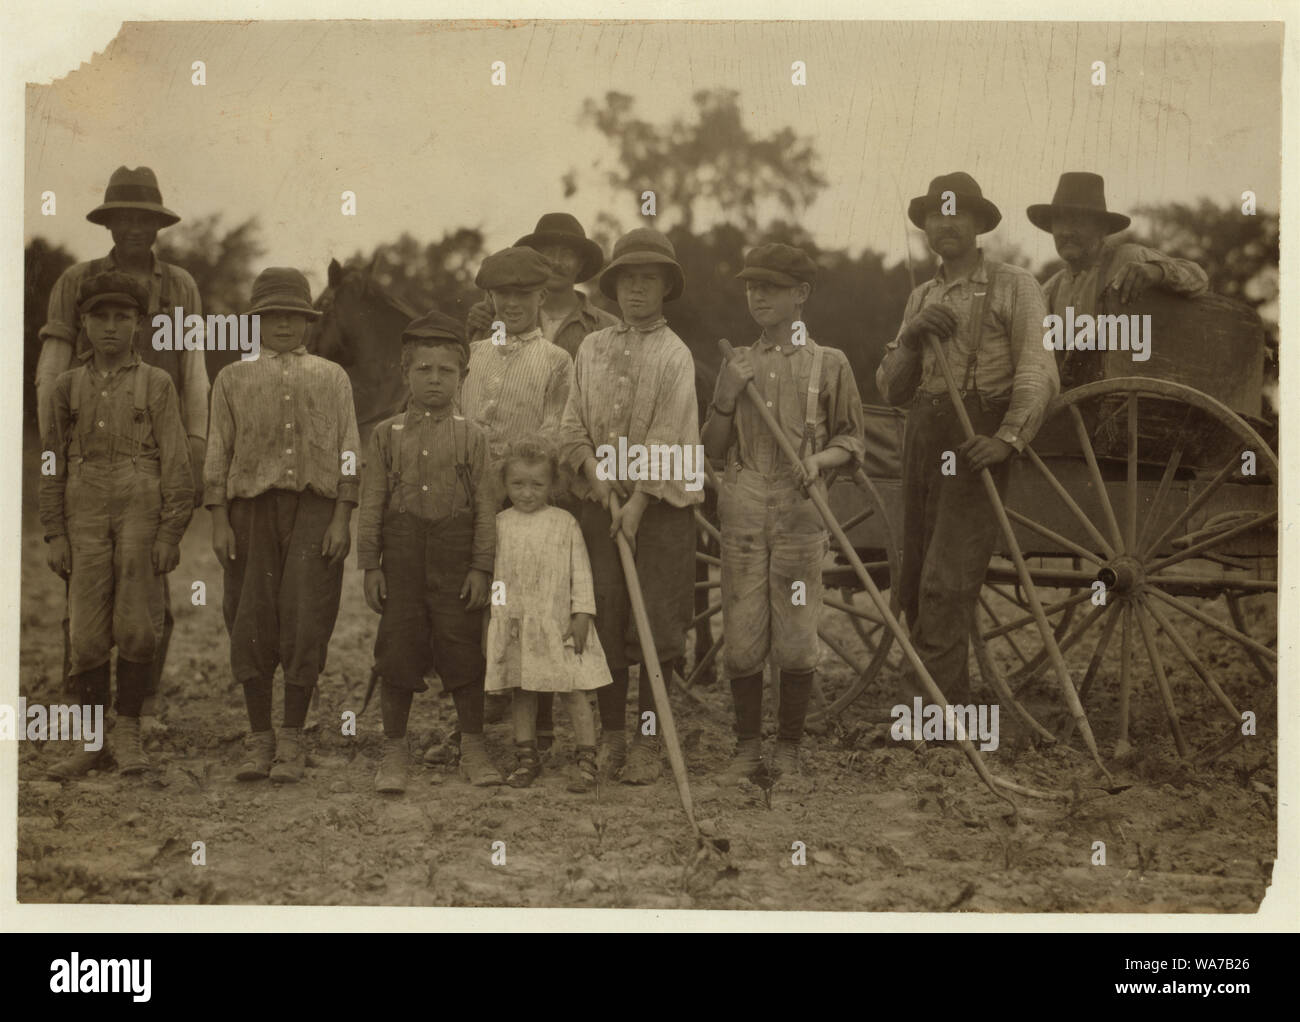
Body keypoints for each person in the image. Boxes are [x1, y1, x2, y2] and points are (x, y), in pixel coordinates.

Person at [876, 173, 1059, 708]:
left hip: (975, 443)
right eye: (937, 213)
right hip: (923, 438)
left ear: (979, 224)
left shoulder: (1014, 285)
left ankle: (929, 714)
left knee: (945, 581)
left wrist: (1007, 438)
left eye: (957, 213)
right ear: (926, 225)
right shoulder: (921, 296)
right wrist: (909, 341)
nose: (946, 223)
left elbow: (1038, 368)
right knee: (912, 582)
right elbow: (891, 389)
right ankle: (941, 705)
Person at [36, 167, 209, 732]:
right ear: (108, 222)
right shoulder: (76, 281)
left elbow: (194, 372)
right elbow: (52, 367)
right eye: (123, 217)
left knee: (148, 579)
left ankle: (142, 707)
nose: (134, 228)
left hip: (154, 451)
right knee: (85, 585)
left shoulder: (180, 284)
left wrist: (197, 442)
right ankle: (82, 713)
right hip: (89, 443)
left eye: (144, 218)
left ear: (157, 225)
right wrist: (54, 445)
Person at [702, 243, 865, 787]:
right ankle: (748, 751)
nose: (758, 295)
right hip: (744, 506)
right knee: (743, 636)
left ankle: (789, 753)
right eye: (751, 286)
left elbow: (852, 441)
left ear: (801, 295)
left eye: (771, 287)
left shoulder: (831, 363)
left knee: (795, 636)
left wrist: (818, 460)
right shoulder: (737, 364)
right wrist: (725, 396)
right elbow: (711, 447)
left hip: (800, 513)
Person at [557, 227, 703, 784]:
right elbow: (573, 423)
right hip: (603, 504)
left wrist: (637, 501)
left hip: (661, 507)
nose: (637, 290)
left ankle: (648, 742)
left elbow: (669, 436)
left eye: (649, 280)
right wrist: (597, 478)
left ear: (666, 287)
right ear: (613, 287)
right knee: (608, 616)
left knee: (657, 627)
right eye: (627, 280)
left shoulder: (675, 354)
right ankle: (613, 738)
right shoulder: (592, 348)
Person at [204, 268, 360, 783]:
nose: (285, 325)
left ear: (309, 321)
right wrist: (219, 519)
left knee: (305, 614)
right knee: (250, 617)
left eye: (294, 315)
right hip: (251, 510)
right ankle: (258, 737)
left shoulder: (331, 376)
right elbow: (218, 453)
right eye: (273, 316)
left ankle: (292, 737)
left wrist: (342, 513)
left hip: (315, 509)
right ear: (256, 322)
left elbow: (348, 452)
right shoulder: (233, 377)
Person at [39, 272, 193, 778]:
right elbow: (52, 462)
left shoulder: (158, 383)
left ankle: (127, 734)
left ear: (138, 325)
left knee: (136, 625)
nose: (110, 327)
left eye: (122, 317)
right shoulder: (67, 386)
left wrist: (170, 532)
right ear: (82, 323)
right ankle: (90, 741)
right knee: (84, 633)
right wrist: (55, 532)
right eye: (99, 317)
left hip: (139, 501)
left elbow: (175, 462)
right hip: (83, 504)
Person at [359, 311, 503, 794]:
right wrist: (369, 565)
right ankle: (395, 750)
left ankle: (474, 746)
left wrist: (482, 567)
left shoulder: (474, 436)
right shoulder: (385, 434)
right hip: (400, 554)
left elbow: (486, 506)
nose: (435, 380)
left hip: (455, 553)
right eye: (424, 370)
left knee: (461, 644)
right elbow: (372, 501)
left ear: (462, 376)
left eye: (446, 371)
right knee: (397, 645)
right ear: (406, 374)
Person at [483, 438, 609, 792]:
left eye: (537, 485)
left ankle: (586, 757)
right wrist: (500, 618)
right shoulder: (500, 524)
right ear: (505, 485)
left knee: (573, 687)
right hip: (518, 625)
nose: (526, 493)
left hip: (559, 624)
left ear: (553, 485)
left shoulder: (563, 522)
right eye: (517, 485)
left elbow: (580, 570)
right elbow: (498, 579)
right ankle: (526, 756)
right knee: (522, 689)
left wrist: (582, 613)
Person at [1028, 171, 1209, 388]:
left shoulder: (1130, 259)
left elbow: (1199, 278)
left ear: (1101, 228)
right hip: (1075, 410)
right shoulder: (1049, 290)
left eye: (1077, 221)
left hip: (1135, 399)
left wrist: (1156, 272)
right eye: (1059, 222)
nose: (1066, 231)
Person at [467, 212, 618, 359]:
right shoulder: (501, 317)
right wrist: (477, 328)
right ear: (533, 260)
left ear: (581, 264)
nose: (556, 262)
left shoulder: (606, 327)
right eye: (548, 253)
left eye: (567, 254)